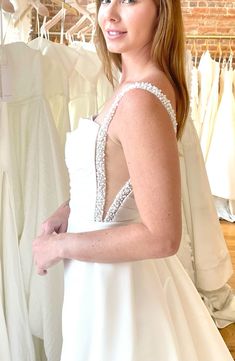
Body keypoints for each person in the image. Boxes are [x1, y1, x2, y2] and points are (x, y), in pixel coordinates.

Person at [33, 0, 234, 360]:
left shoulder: (141, 99)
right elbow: (119, 178)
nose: (109, 14)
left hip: (117, 287)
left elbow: (162, 236)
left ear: (162, 10)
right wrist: (68, 210)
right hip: (100, 277)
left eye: (129, 0)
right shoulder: (133, 85)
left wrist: (60, 246)